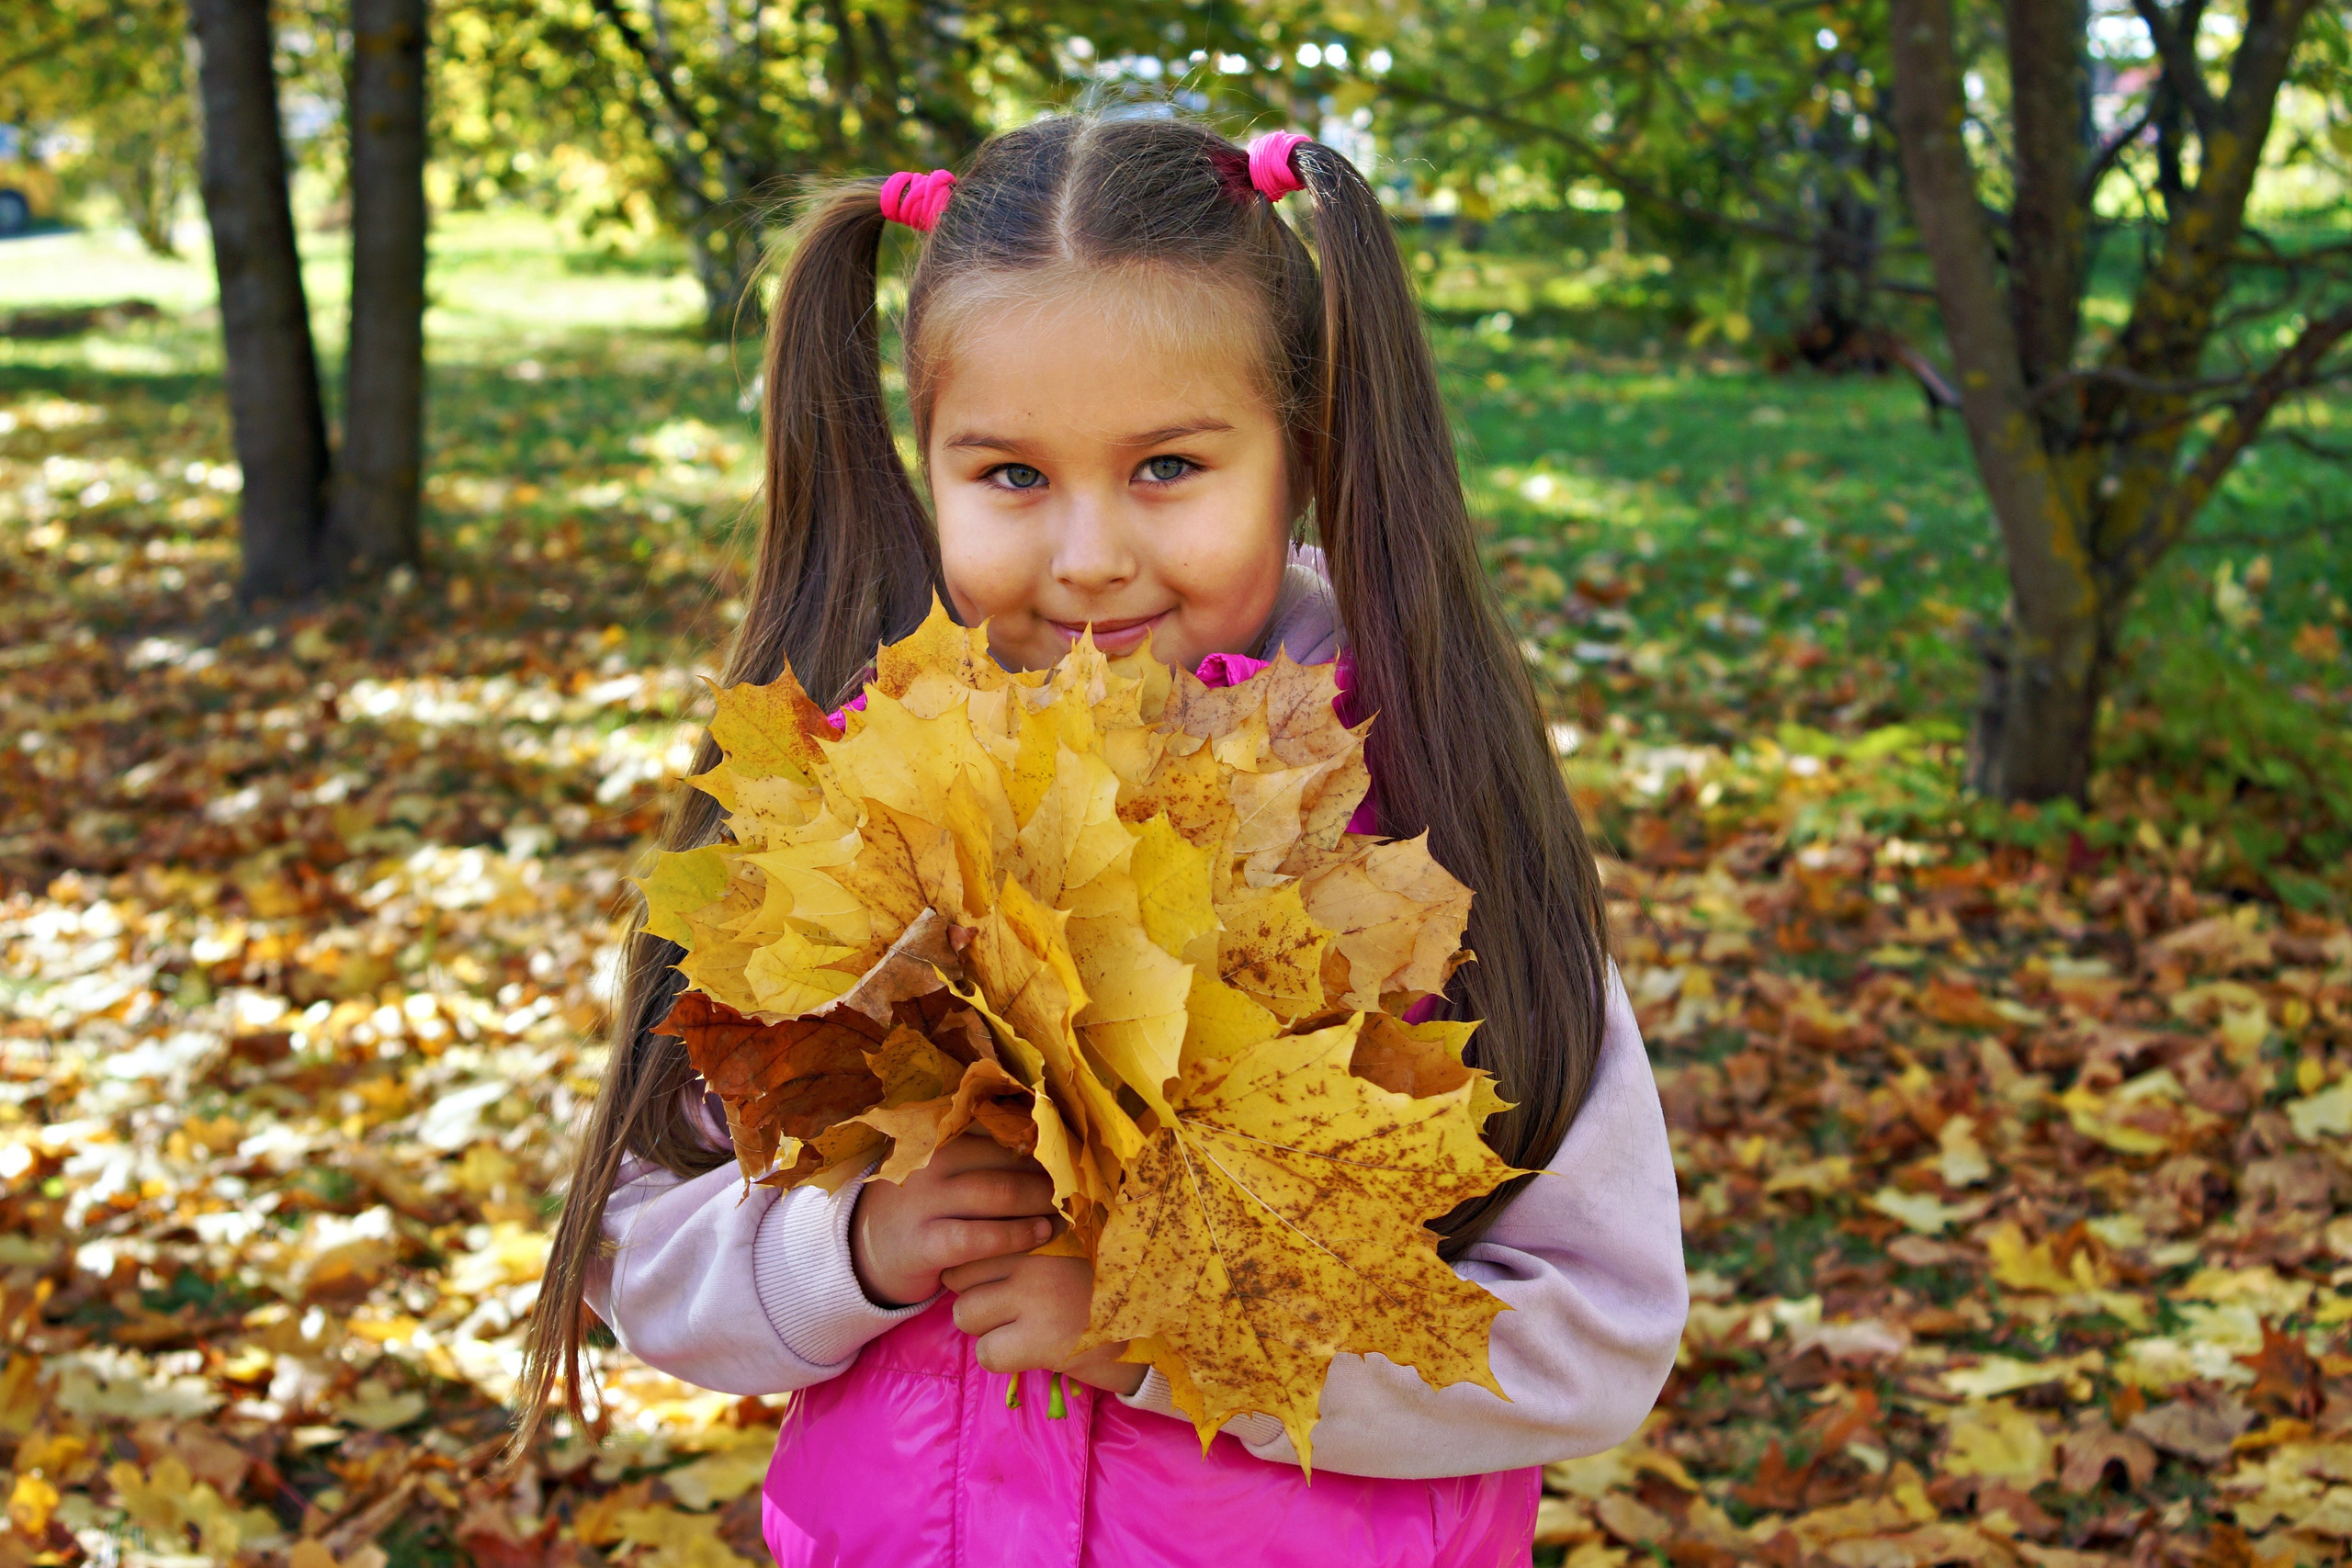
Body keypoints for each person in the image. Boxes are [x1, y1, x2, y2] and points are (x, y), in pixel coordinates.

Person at [517, 117, 1686, 1568]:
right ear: (923, 467)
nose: (1087, 556)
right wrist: (854, 1251)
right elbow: (644, 1245)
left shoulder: (1427, 830)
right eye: (1010, 475)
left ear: (1299, 454)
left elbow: (1593, 1335)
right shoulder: (848, 809)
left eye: (1168, 468)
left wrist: (1171, 1327)